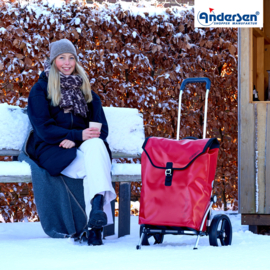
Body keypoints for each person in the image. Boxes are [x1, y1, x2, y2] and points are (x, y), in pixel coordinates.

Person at [26, 39, 116, 246]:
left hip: (84, 148)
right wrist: (74, 137)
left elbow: (101, 130)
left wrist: (76, 140)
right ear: (53, 61)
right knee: (96, 167)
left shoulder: (87, 93)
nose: (67, 63)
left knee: (95, 148)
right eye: (61, 58)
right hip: (53, 148)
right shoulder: (40, 90)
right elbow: (43, 128)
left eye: (71, 58)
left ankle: (95, 213)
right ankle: (96, 221)